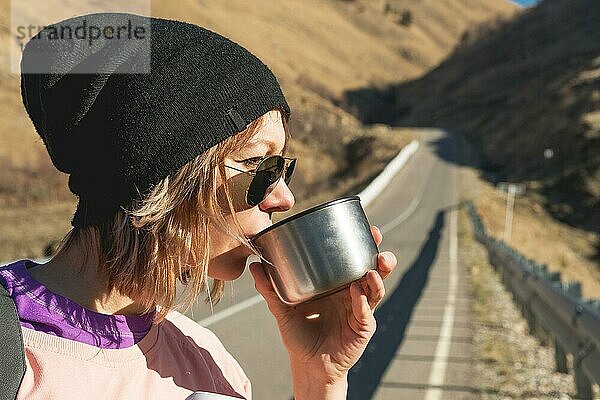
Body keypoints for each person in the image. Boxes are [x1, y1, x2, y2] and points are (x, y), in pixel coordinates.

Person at [0, 12, 398, 400]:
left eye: (282, 169)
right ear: (164, 175)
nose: (284, 198)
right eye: (257, 165)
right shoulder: (14, 356)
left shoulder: (213, 363)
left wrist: (319, 381)